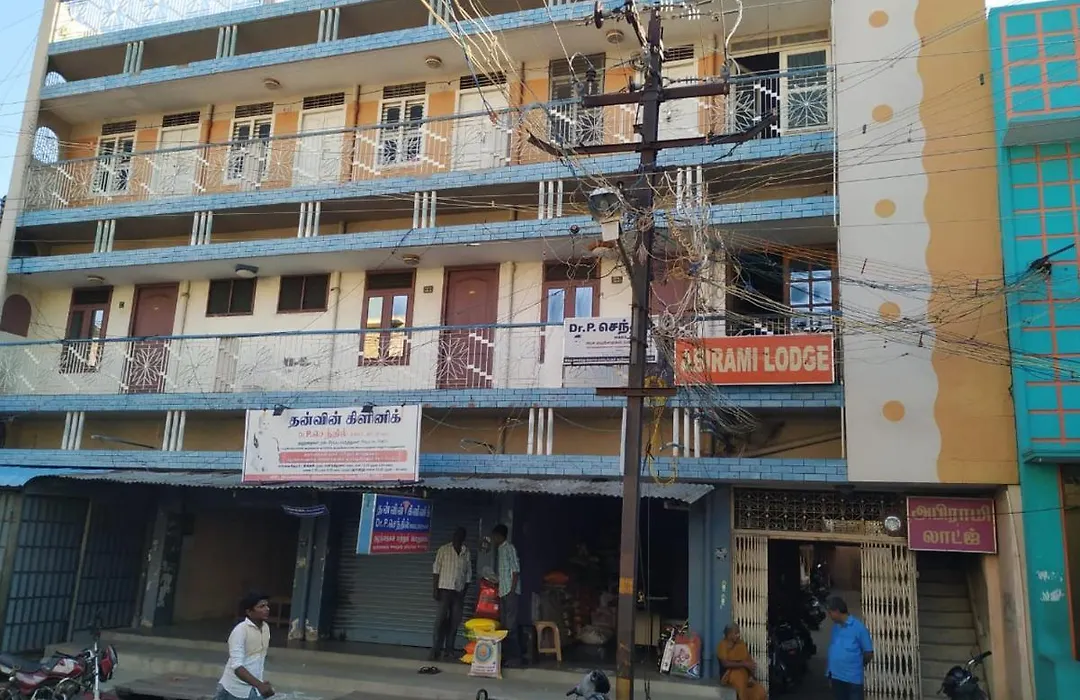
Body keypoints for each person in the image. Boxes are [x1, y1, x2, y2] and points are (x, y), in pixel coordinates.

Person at [215, 592, 274, 700]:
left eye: (267, 605)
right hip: (234, 690)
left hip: (253, 688)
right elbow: (237, 667)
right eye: (261, 606)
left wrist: (260, 682)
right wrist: (259, 685)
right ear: (249, 612)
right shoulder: (240, 631)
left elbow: (258, 658)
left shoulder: (266, 628)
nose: (267, 609)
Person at [430, 526, 472, 661]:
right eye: (456, 535)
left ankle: (449, 650)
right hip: (444, 590)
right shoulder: (444, 549)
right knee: (440, 621)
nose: (458, 538)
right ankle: (435, 650)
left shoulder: (466, 552)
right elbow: (436, 570)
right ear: (453, 536)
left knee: (454, 622)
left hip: (458, 593)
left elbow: (468, 574)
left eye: (461, 535)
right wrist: (435, 589)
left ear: (463, 538)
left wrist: (464, 592)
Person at [825, 596, 874, 700]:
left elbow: (868, 653)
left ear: (837, 611)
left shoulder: (859, 628)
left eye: (830, 613)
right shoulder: (835, 628)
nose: (829, 616)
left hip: (853, 680)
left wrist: (857, 664)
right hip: (836, 678)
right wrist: (829, 674)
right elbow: (833, 650)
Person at [491, 523, 522, 665]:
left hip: (510, 591)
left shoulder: (510, 548)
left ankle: (515, 658)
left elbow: (515, 571)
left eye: (494, 536)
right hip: (503, 591)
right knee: (504, 625)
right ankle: (505, 656)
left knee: (511, 625)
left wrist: (511, 590)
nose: (493, 539)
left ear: (499, 536)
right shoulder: (500, 549)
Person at [716, 624, 767, 700]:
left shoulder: (741, 643)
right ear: (729, 634)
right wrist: (744, 664)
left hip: (746, 674)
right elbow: (725, 663)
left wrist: (751, 674)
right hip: (730, 674)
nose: (738, 635)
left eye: (738, 633)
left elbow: (748, 659)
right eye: (736, 633)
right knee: (741, 681)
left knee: (760, 691)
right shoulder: (722, 645)